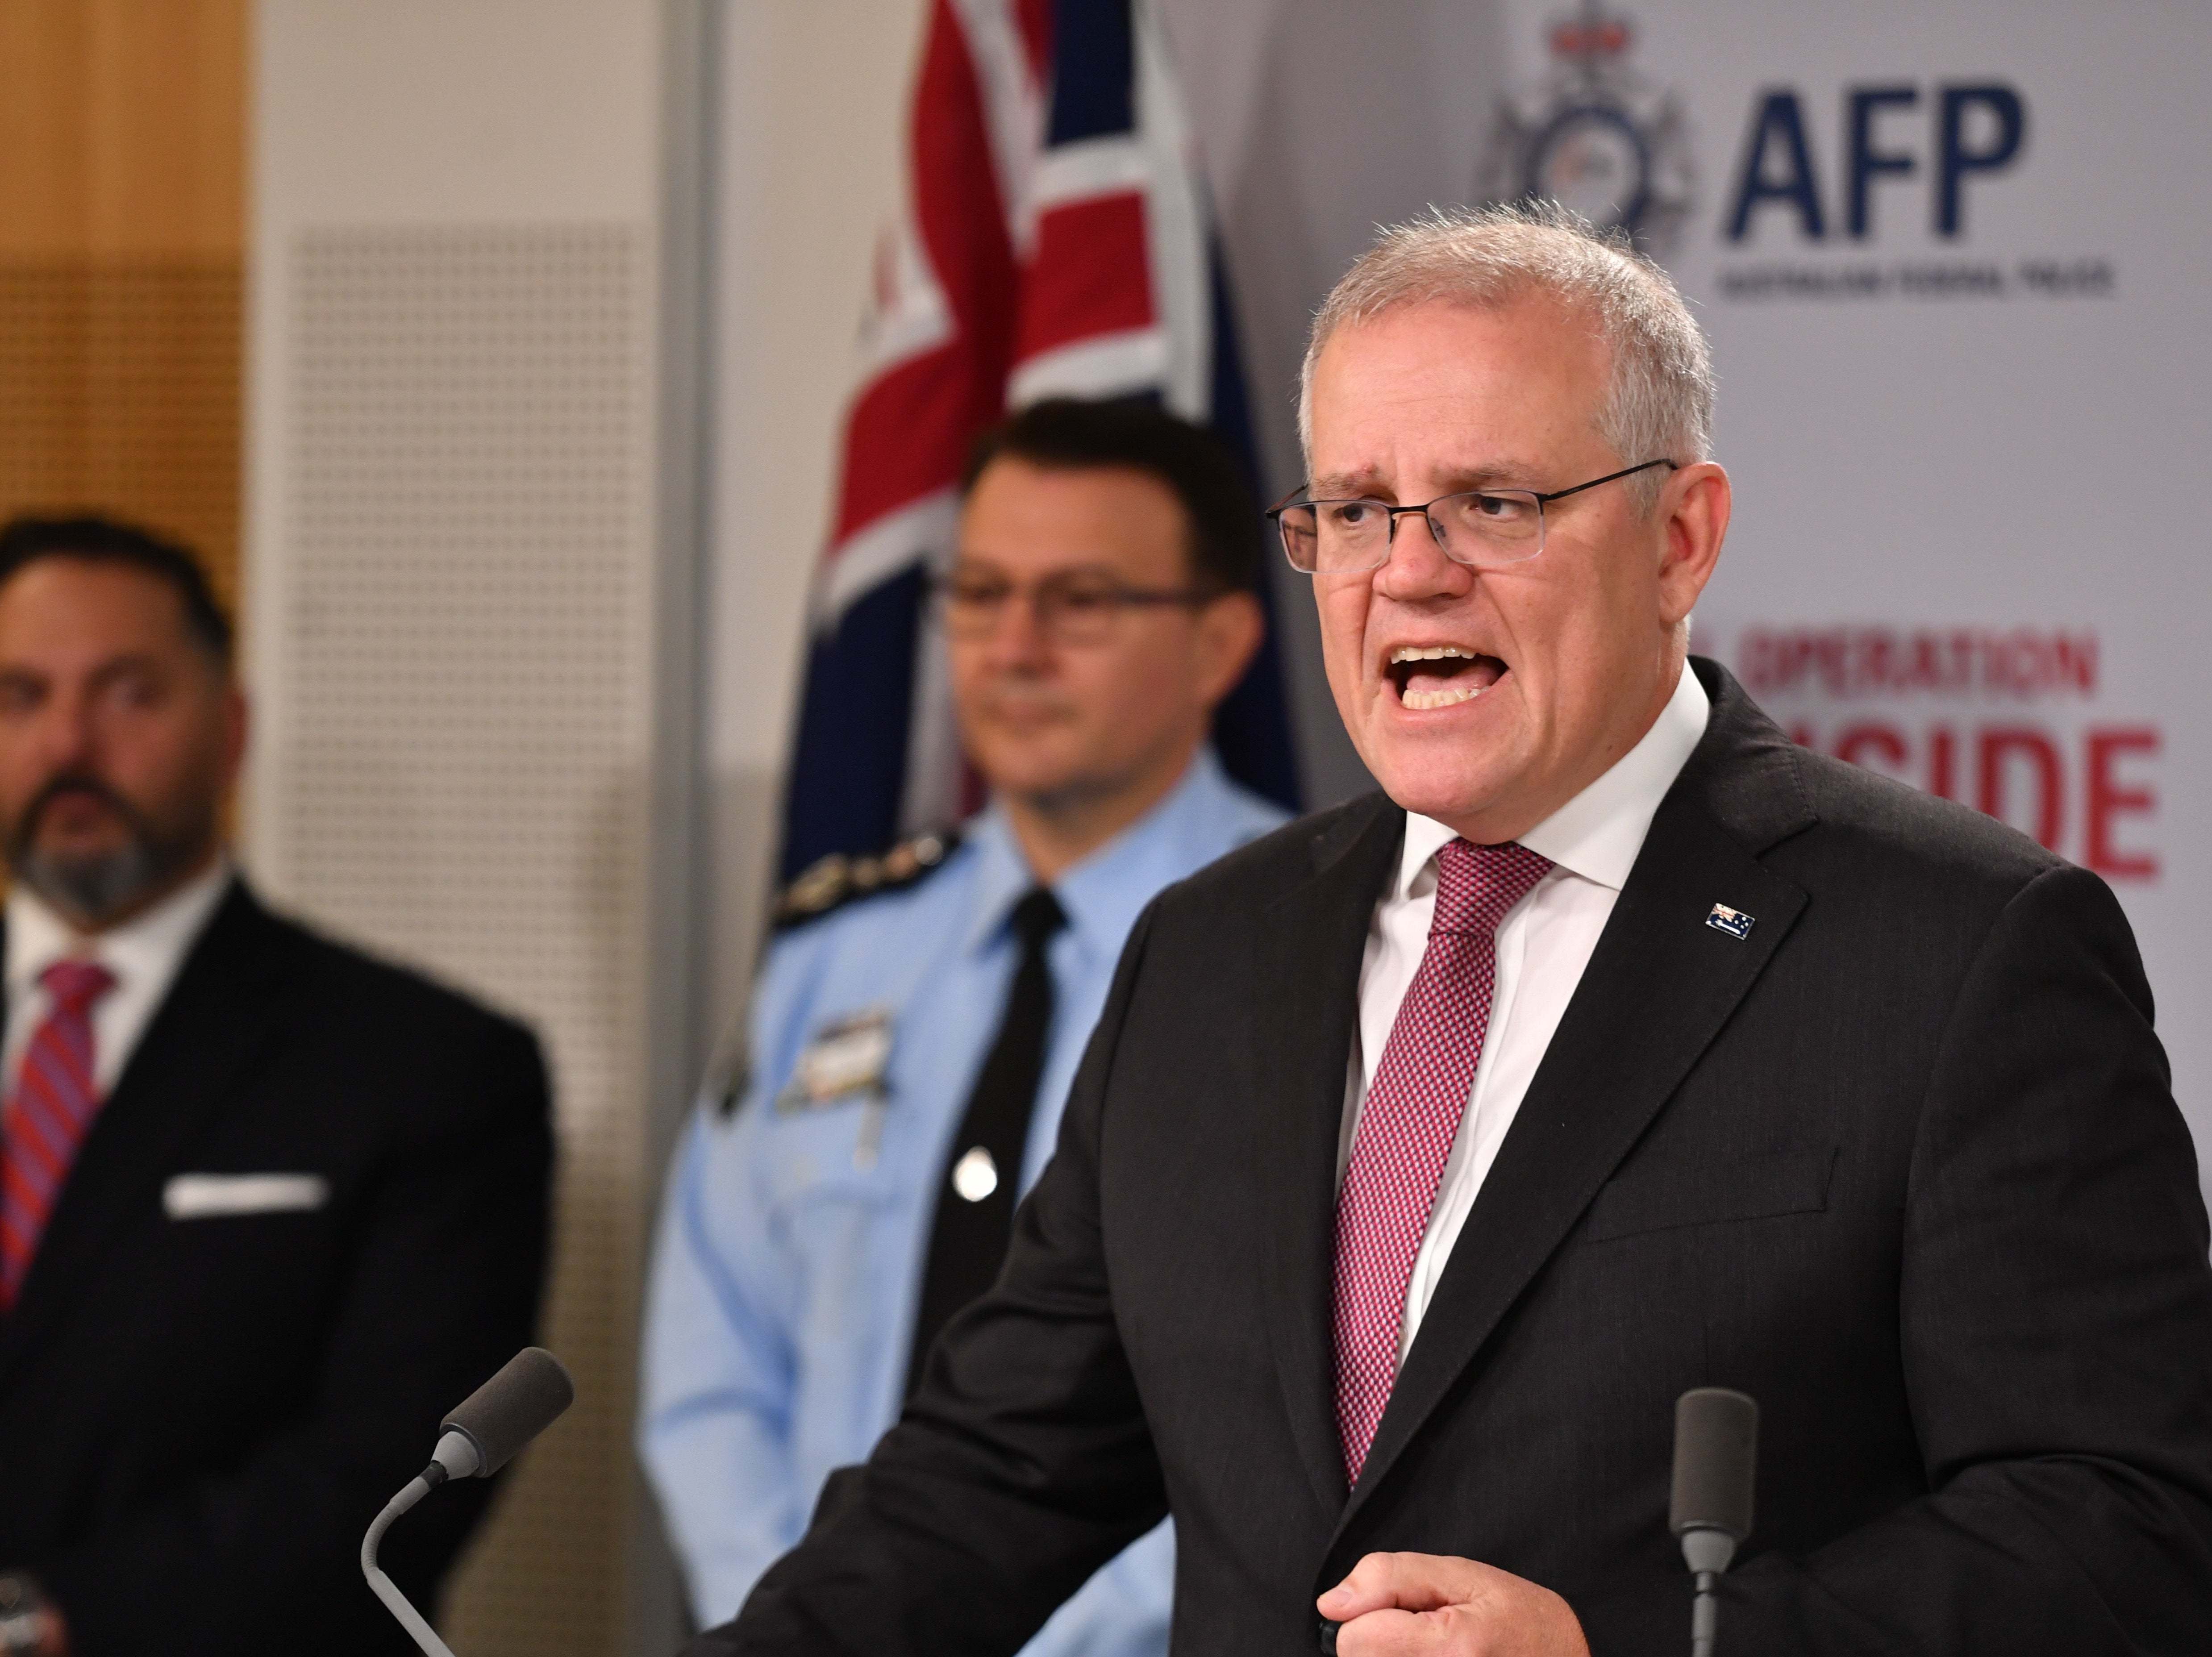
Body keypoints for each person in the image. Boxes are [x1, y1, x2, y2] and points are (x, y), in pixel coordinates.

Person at [681, 204, 2212, 1657]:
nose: (1409, 571)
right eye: (1353, 511)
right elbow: (991, 1475)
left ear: (1679, 537)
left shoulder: (1958, 951)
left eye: (1494, 503)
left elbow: (2126, 1526)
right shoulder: (1208, 954)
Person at [638, 398, 1290, 1652]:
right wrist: (814, 1626)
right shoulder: (838, 951)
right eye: (980, 595)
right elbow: (711, 1357)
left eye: (1081, 601)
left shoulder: (1318, 952)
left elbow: (1305, 1416)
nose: (1014, 648)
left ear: (1218, 644)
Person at [0, 516, 553, 1657]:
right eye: (19, 695)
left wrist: (46, 1619)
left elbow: (390, 1472)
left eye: (126, 693)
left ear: (230, 726)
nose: (68, 741)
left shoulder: (425, 1067)